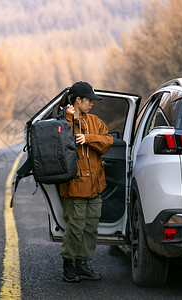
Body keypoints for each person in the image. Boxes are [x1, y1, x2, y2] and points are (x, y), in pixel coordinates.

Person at [59, 81, 113, 283]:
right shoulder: (63, 122)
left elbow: (107, 142)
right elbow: (58, 145)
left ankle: (83, 264)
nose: (92, 103)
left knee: (91, 227)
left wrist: (88, 138)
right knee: (75, 227)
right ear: (78, 100)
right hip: (74, 187)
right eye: (89, 100)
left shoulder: (95, 121)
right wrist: (68, 118)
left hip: (95, 187)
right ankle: (68, 266)